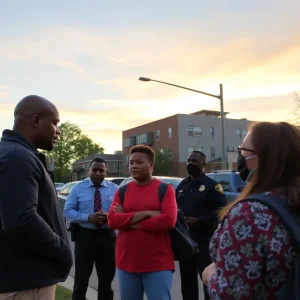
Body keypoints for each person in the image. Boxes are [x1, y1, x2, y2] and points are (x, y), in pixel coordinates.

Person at [203, 122, 300, 299]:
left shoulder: (249, 214)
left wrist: (210, 275)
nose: (240, 156)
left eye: (242, 150)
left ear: (262, 157)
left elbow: (231, 294)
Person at [0, 95, 73, 300]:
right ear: (36, 120)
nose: (58, 131)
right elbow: (22, 220)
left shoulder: (18, 154)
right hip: (24, 286)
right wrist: (62, 252)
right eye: (55, 123)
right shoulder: (17, 157)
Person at [108, 145, 177, 300]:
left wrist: (128, 221)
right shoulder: (122, 191)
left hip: (157, 263)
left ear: (151, 165)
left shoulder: (165, 189)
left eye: (139, 162)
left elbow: (168, 221)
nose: (133, 166)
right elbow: (112, 220)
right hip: (127, 262)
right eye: (131, 162)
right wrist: (147, 214)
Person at [64, 157, 118, 300]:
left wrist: (110, 217)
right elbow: (67, 211)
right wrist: (88, 217)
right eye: (94, 170)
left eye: (101, 170)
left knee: (106, 281)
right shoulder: (78, 188)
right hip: (85, 237)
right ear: (89, 171)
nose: (98, 173)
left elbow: (122, 212)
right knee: (81, 280)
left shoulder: (115, 189)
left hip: (108, 237)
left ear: (106, 171)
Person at [176, 151, 227, 300]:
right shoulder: (182, 185)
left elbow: (221, 211)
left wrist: (199, 220)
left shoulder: (212, 186)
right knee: (187, 282)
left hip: (204, 242)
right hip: (185, 242)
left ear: (203, 164)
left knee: (208, 282)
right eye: (188, 160)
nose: (190, 163)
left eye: (195, 161)